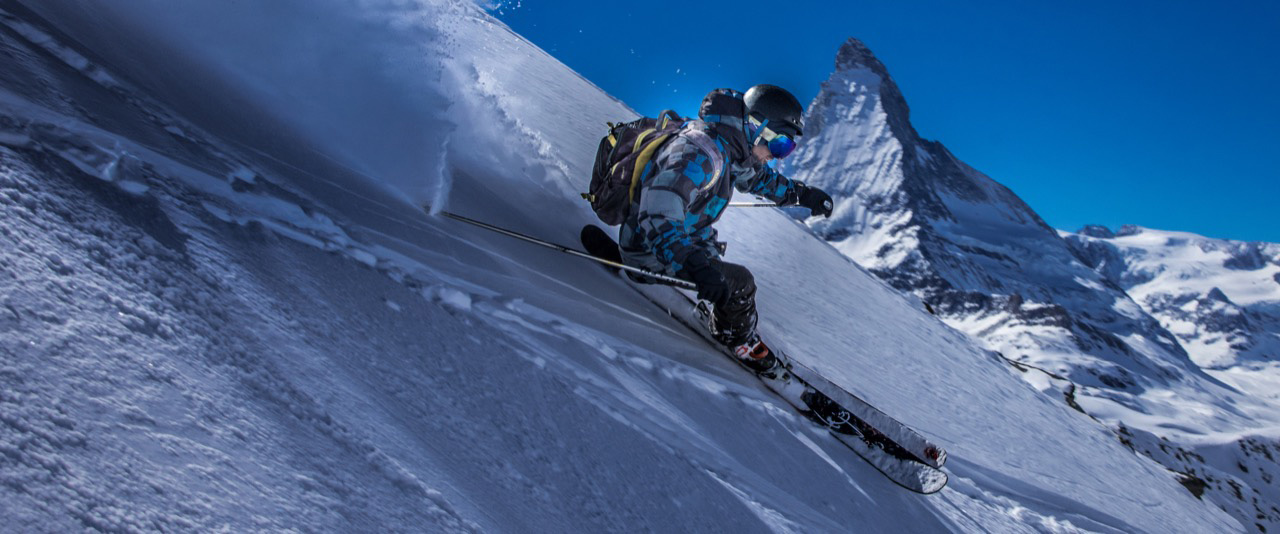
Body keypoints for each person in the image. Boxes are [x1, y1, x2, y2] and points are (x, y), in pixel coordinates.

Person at [618, 85, 833, 372]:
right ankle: (738, 341)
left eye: (788, 148)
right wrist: (692, 263)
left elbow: (759, 180)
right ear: (758, 127)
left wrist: (804, 195)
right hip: (649, 250)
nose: (780, 156)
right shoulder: (698, 153)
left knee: (718, 263)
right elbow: (657, 211)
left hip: (679, 244)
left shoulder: (730, 148)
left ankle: (716, 304)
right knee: (741, 283)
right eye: (781, 144)